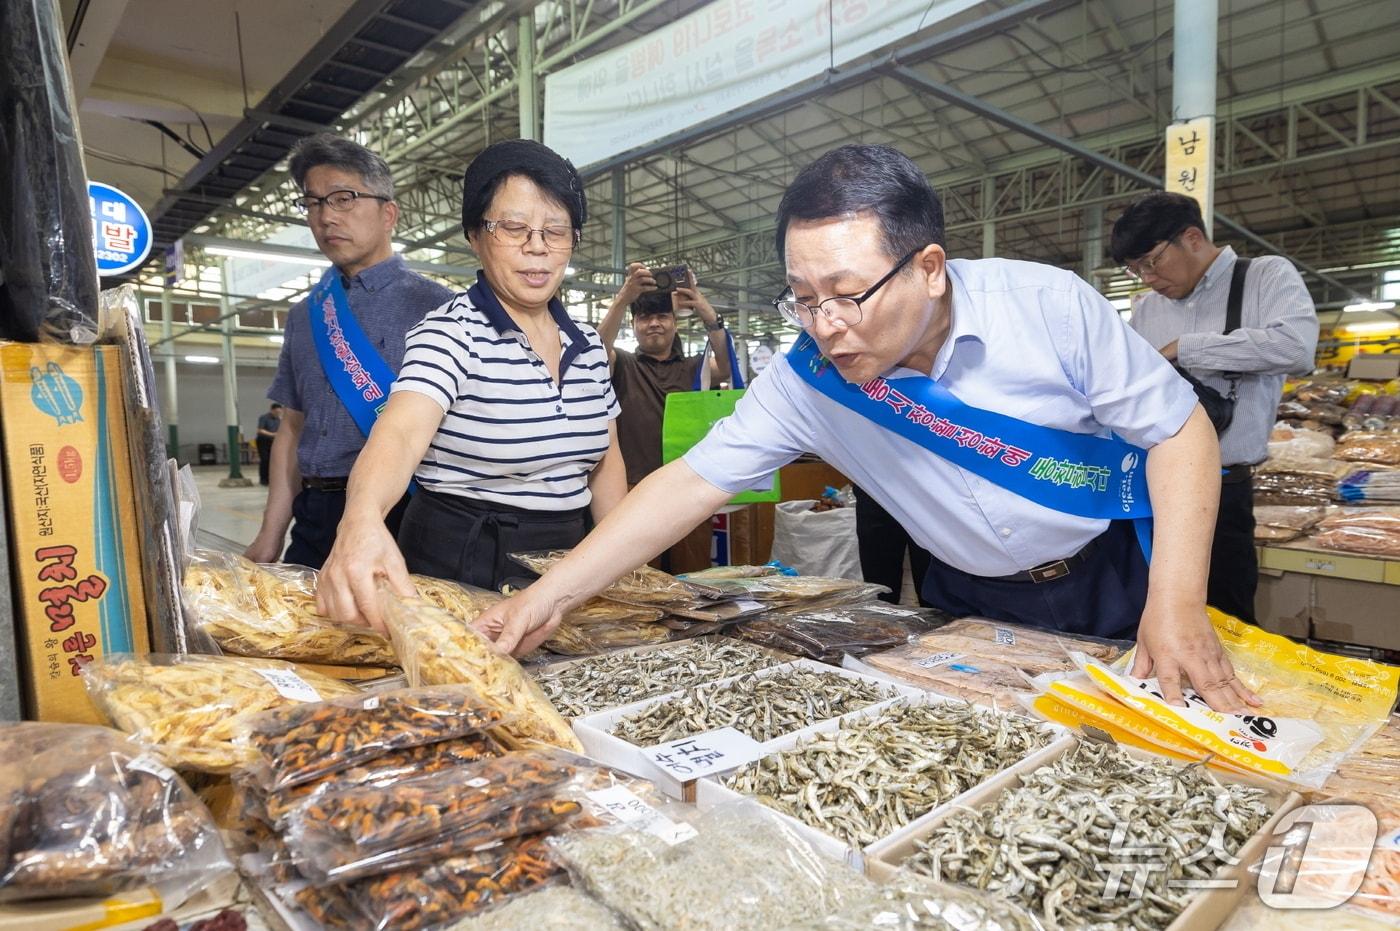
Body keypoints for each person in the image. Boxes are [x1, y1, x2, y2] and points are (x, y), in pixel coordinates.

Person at [468, 143, 1260, 714]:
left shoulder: (1048, 307)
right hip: (962, 597)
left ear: (929, 268)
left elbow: (1179, 430)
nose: (826, 326)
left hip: (1113, 577)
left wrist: (1178, 599)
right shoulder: (808, 377)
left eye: (848, 294)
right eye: (802, 298)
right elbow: (686, 483)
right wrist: (550, 597)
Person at [314, 139, 627, 617]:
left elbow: (605, 465)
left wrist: (619, 566)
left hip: (567, 559)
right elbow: (400, 432)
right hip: (464, 562)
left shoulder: (587, 345)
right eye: (514, 228)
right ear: (475, 236)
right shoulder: (450, 333)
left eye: (556, 231)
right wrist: (361, 519)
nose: (537, 248)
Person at [1110, 193, 1318, 623]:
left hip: (1222, 488)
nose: (1146, 278)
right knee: (1145, 610)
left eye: (1151, 262)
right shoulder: (1147, 308)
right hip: (1146, 485)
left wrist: (1186, 349)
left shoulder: (1263, 276)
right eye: (1135, 270)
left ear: (1191, 238)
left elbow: (1296, 347)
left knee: (1225, 616)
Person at [245, 134, 450, 569]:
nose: (326, 217)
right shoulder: (306, 315)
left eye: (344, 198)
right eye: (314, 203)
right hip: (314, 515)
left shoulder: (439, 307)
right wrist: (270, 533)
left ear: (389, 213)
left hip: (402, 514)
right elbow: (293, 429)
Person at [596, 263, 734, 572]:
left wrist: (704, 308)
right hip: (633, 491)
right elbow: (598, 350)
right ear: (634, 325)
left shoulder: (694, 368)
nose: (654, 324)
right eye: (645, 317)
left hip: (688, 489)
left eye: (662, 316)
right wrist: (623, 298)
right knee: (640, 581)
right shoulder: (624, 365)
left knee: (692, 581)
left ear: (674, 323)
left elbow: (726, 367)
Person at [852, 485, 933, 607]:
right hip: (874, 485)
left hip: (926, 487)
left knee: (935, 585)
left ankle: (945, 622)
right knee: (880, 591)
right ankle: (881, 622)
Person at [255, 403, 282, 486]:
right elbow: (260, 430)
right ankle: (263, 479)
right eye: (276, 412)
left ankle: (272, 478)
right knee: (265, 460)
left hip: (273, 441)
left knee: (273, 461)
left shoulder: (279, 419)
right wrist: (272, 434)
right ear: (272, 410)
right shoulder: (264, 418)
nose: (278, 414)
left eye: (279, 412)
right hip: (263, 441)